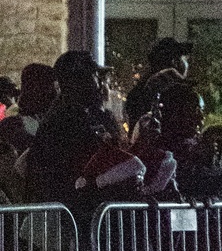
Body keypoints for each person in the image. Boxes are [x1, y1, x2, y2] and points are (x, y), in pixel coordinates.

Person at [27, 52, 144, 216]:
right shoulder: (64, 121)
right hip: (71, 217)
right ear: (78, 81)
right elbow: (84, 170)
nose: (100, 84)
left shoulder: (86, 116)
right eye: (95, 76)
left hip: (86, 212)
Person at [0, 63, 57, 203]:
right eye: (53, 88)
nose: (56, 94)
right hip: (20, 201)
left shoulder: (48, 122)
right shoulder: (12, 126)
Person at [123, 37, 192, 133]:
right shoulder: (172, 91)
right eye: (183, 58)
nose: (186, 63)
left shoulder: (138, 91)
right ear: (174, 61)